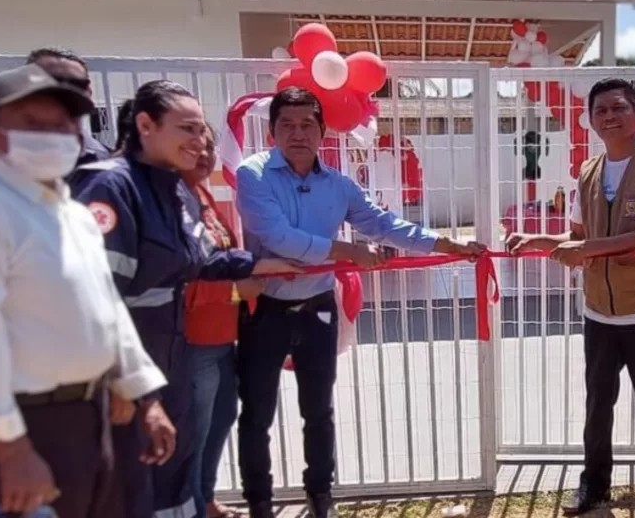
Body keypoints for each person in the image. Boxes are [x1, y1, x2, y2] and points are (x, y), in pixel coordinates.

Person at [234, 87, 486, 518]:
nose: (298, 133)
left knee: (319, 409)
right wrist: (349, 252)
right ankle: (259, 501)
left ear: (322, 130)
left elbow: (383, 224)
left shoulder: (338, 185)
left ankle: (320, 496)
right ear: (272, 130)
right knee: (256, 412)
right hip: (264, 310)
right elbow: (277, 238)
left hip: (318, 307)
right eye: (287, 125)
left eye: (307, 124)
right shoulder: (252, 174)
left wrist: (447, 243)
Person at [69, 80, 300, 518]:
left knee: (174, 474)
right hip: (125, 375)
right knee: (132, 482)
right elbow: (94, 298)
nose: (199, 141)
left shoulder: (174, 190)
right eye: (187, 129)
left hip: (169, 359)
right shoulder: (110, 188)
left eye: (202, 131)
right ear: (145, 125)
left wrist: (255, 265)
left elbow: (200, 259)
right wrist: (128, 388)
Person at [0, 64, 173, 517]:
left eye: (63, 126)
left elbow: (108, 310)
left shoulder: (70, 212)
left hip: (91, 418)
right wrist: (11, 450)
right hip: (24, 428)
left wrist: (145, 396)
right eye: (34, 126)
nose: (55, 136)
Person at [505, 78, 635, 517]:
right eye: (600, 110)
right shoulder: (588, 171)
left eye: (618, 107)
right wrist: (539, 240)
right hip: (599, 313)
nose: (609, 116)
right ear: (590, 119)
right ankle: (595, 485)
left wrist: (583, 250)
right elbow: (580, 236)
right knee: (596, 405)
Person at [182, 128, 259, 518]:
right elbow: (186, 282)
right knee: (194, 432)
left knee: (221, 417)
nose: (204, 153)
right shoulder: (172, 201)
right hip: (193, 341)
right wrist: (235, 293)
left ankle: (205, 499)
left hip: (221, 337)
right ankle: (193, 507)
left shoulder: (200, 196)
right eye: (192, 145)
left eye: (209, 146)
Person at [0, 48, 109, 177]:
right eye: (48, 82)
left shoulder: (103, 160)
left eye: (76, 84)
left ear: (89, 92)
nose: (59, 92)